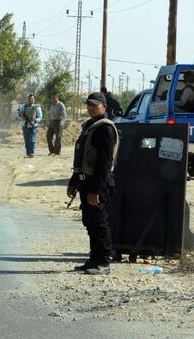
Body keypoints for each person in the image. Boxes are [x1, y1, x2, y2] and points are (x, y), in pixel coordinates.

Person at [67, 92, 119, 275]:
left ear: (104, 107)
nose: (91, 108)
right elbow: (82, 159)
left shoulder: (105, 129)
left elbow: (104, 163)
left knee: (99, 222)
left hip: (99, 183)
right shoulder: (91, 127)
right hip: (86, 182)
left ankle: (104, 262)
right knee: (90, 222)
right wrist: (73, 182)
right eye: (89, 105)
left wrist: (96, 190)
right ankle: (94, 259)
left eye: (95, 105)